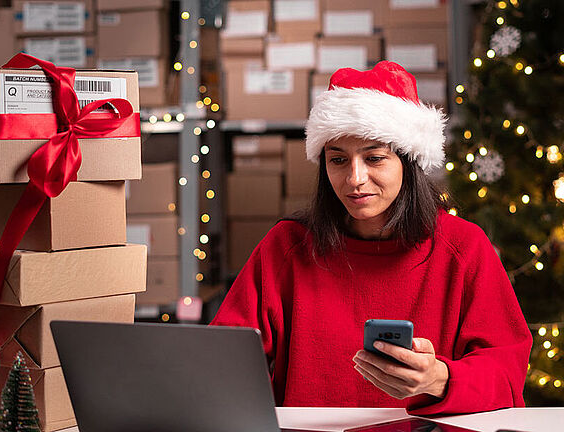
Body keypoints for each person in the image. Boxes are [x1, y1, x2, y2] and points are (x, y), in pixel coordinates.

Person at [211, 61, 533, 415]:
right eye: (337, 160)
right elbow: (221, 363)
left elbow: (507, 376)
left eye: (375, 158)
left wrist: (440, 379)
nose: (355, 178)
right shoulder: (286, 247)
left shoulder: (463, 247)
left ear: (408, 161)